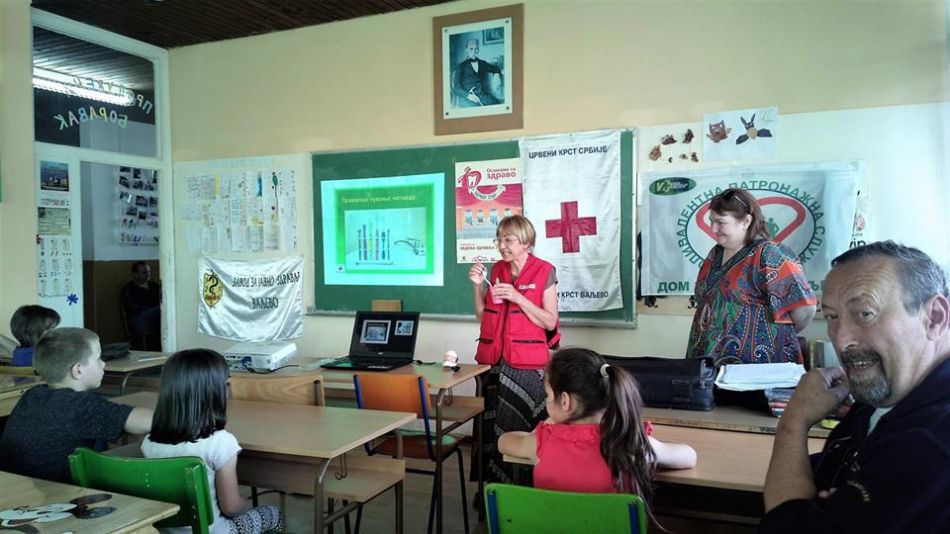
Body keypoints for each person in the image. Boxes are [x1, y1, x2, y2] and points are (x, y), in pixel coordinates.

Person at [761, 241, 950, 533]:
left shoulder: (933, 441)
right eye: (832, 317)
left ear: (934, 317)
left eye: (864, 313)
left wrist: (794, 420)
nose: (842, 339)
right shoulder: (887, 393)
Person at [499, 348, 696, 529]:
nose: (547, 400)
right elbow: (689, 456)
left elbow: (504, 442)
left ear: (565, 401)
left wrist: (544, 426)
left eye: (548, 395)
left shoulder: (542, 441)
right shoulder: (630, 442)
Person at [142, 349, 285, 534]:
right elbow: (231, 508)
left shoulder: (148, 443)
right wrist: (246, 504)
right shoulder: (220, 443)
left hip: (168, 532)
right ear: (213, 392)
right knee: (273, 513)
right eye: (225, 384)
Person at [468, 214, 560, 485]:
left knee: (522, 431)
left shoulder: (545, 271)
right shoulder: (497, 270)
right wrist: (477, 287)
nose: (502, 246)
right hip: (494, 366)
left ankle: (524, 489)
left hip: (526, 370)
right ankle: (492, 489)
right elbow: (482, 315)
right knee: (490, 431)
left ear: (526, 242)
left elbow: (550, 321)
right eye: (499, 240)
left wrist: (518, 297)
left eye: (508, 240)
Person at [0, 327, 152, 482]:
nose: (103, 364)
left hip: (17, 488)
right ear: (78, 370)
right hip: (60, 492)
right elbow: (150, 422)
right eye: (98, 358)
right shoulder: (79, 405)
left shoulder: (32, 395)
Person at [686, 188, 817, 365]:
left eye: (720, 222)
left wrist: (775, 337)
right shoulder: (714, 254)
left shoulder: (769, 254)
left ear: (746, 221)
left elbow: (805, 309)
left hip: (755, 368)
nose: (713, 229)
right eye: (711, 221)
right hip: (707, 365)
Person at [121, 260, 161, 350]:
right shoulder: (129, 288)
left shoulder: (154, 286)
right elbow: (133, 305)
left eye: (149, 272)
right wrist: (153, 308)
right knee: (159, 309)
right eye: (144, 272)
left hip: (154, 317)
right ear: (135, 274)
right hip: (138, 318)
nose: (148, 274)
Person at [451, 38, 502, 107]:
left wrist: (497, 75)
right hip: (468, 98)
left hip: (483, 96)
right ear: (466, 50)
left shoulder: (482, 63)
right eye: (471, 49)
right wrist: (469, 96)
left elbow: (495, 68)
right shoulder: (461, 66)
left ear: (478, 50)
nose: (474, 51)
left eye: (476, 49)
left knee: (497, 104)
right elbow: (456, 88)